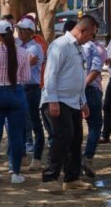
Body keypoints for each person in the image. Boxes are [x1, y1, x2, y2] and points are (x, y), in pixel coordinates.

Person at [40, 15, 98, 190]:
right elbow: (50, 74)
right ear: (82, 30)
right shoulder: (60, 45)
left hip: (73, 101)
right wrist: (52, 100)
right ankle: (51, 178)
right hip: (58, 100)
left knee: (75, 139)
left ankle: (72, 178)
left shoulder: (79, 48)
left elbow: (78, 76)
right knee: (62, 138)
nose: (91, 39)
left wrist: (83, 101)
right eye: (91, 34)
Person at [0, 20, 31, 184]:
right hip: (16, 93)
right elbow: (26, 78)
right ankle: (16, 173)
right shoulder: (23, 53)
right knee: (16, 136)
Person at [16, 18, 46, 171]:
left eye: (22, 30)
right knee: (20, 123)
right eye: (19, 29)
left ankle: (37, 158)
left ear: (30, 32)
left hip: (32, 88)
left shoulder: (35, 48)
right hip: (20, 88)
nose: (19, 32)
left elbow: (26, 64)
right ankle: (22, 156)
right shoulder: (18, 46)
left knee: (35, 122)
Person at [81, 33, 106, 178]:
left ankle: (73, 162)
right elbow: (96, 69)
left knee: (74, 129)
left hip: (73, 91)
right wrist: (84, 85)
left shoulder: (66, 46)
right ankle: (88, 157)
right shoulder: (93, 47)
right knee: (95, 126)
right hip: (92, 90)